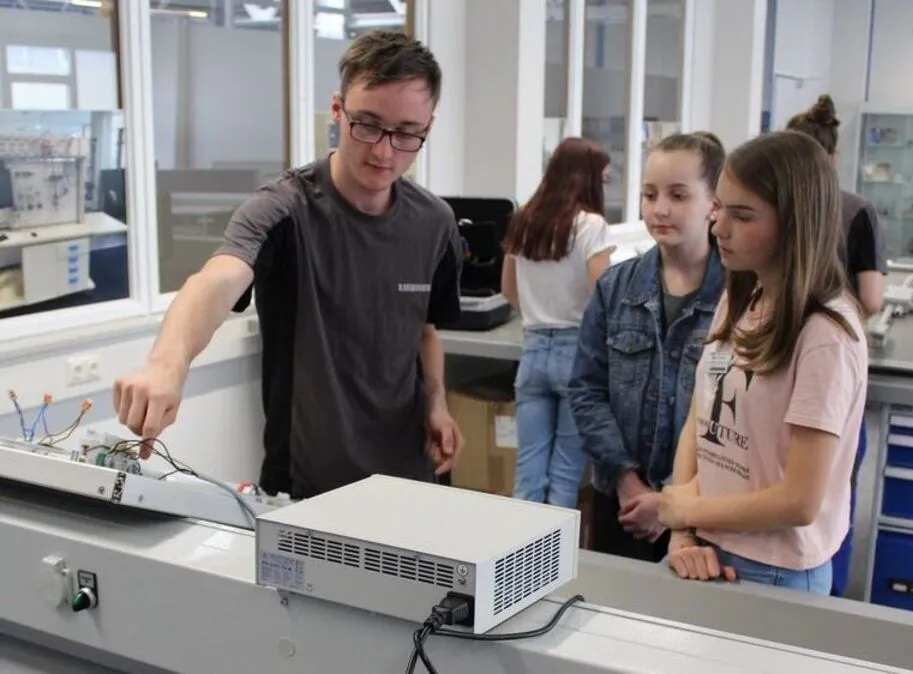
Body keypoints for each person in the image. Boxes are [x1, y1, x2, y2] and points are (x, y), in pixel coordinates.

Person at [112, 30, 464, 500]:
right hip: (306, 488)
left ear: (428, 126)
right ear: (338, 110)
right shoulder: (285, 209)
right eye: (368, 124)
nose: (383, 150)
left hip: (408, 477)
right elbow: (218, 277)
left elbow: (423, 329)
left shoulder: (434, 223)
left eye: (405, 133)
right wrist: (166, 365)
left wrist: (436, 403)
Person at [656, 131, 869, 595]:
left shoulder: (825, 335)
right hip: (706, 546)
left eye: (743, 215)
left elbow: (799, 501)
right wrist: (684, 533)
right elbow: (701, 415)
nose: (719, 229)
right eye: (720, 209)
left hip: (771, 569)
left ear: (795, 223)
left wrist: (687, 511)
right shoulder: (743, 298)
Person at [570, 131, 727, 562]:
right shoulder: (616, 287)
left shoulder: (739, 297)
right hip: (623, 503)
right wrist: (626, 480)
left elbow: (739, 420)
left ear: (714, 202)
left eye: (678, 195)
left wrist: (673, 502)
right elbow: (586, 390)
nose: (660, 209)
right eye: (650, 194)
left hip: (706, 512)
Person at [786, 93, 887, 597]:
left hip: (777, 369)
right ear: (833, 157)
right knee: (831, 494)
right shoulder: (857, 210)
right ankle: (826, 604)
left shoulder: (777, 210)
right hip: (831, 376)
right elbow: (870, 297)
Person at [501, 137, 614, 508]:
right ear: (589, 178)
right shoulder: (591, 225)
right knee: (565, 474)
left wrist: (538, 310)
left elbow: (508, 289)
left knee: (529, 469)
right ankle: (554, 564)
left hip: (532, 351)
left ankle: (518, 561)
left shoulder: (524, 220)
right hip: (576, 353)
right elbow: (603, 295)